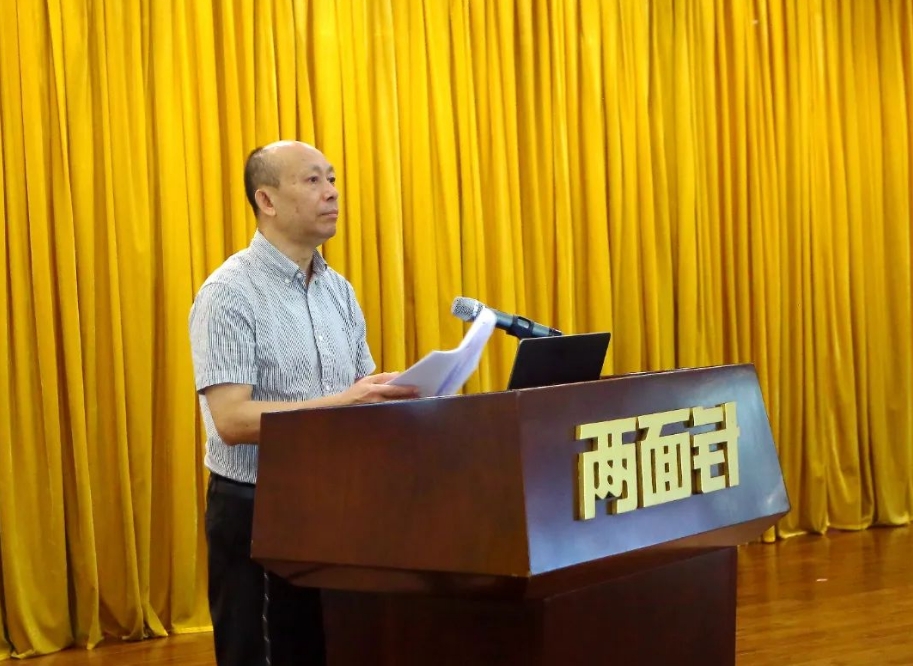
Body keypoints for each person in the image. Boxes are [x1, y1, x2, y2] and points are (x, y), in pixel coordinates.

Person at [188, 140, 417, 666]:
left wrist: (390, 390)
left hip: (337, 501)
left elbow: (356, 388)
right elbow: (231, 420)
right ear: (266, 200)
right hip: (258, 510)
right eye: (312, 180)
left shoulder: (339, 290)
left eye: (331, 178)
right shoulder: (229, 292)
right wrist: (345, 402)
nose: (331, 191)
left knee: (328, 647)